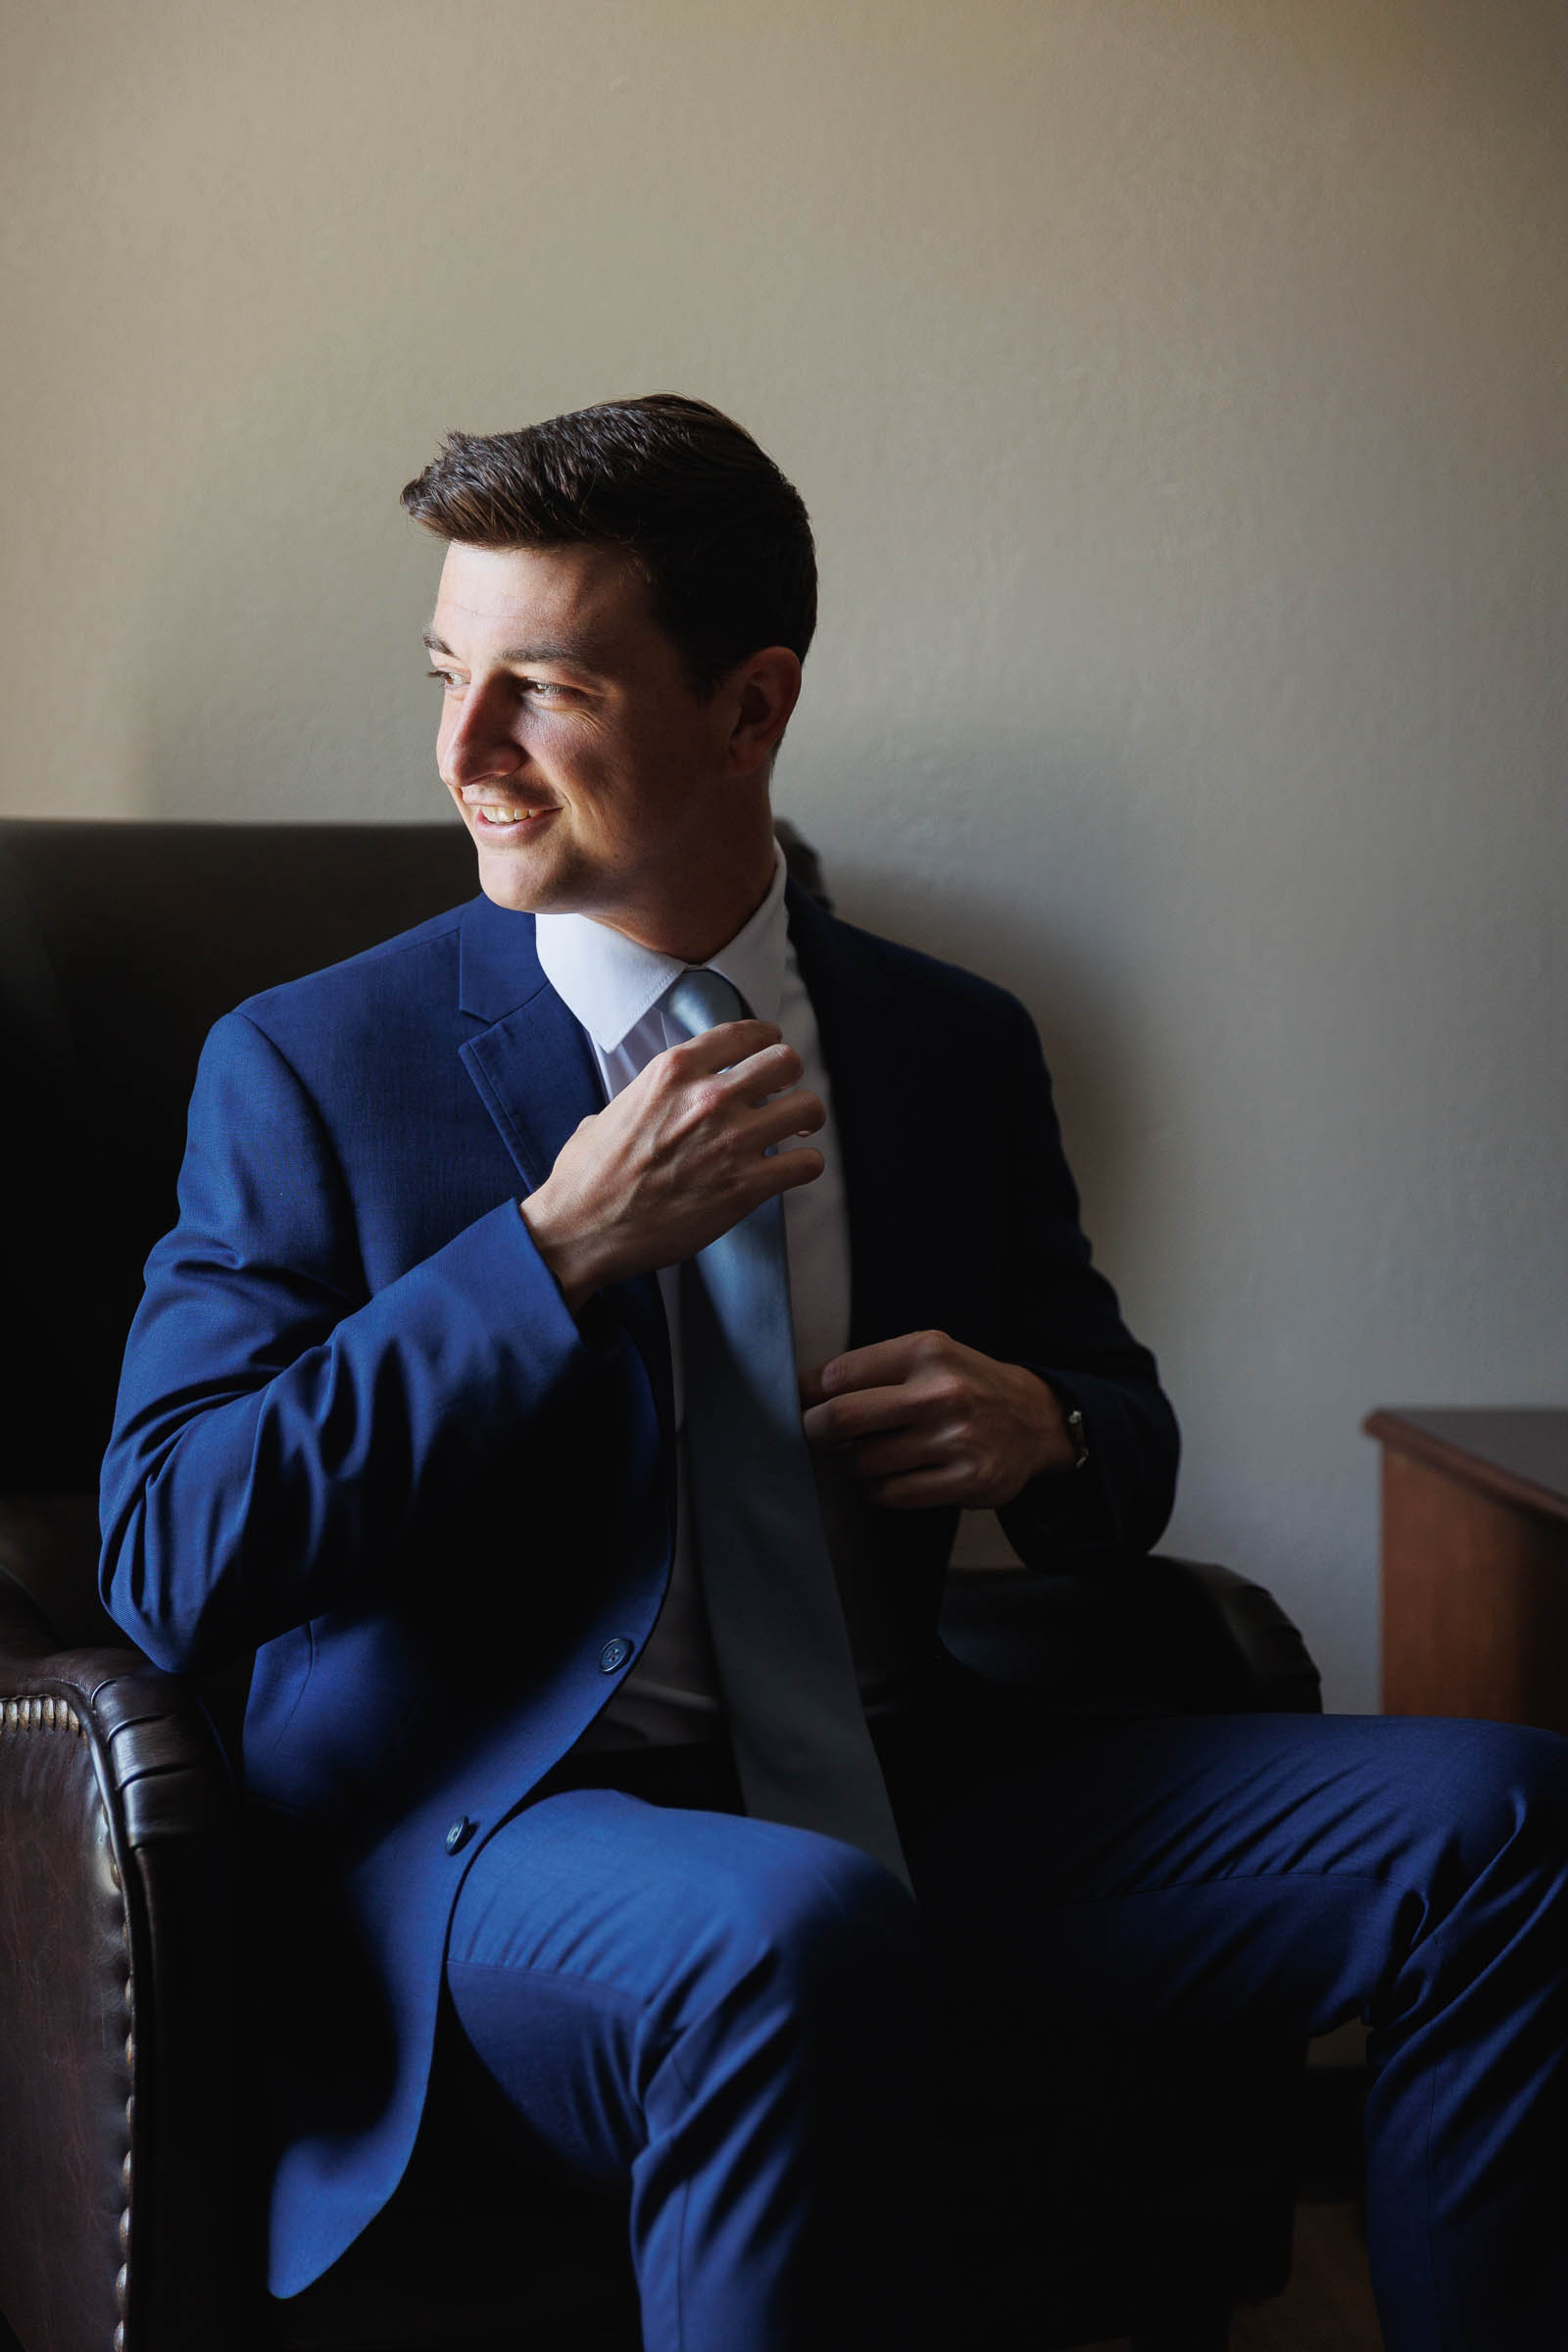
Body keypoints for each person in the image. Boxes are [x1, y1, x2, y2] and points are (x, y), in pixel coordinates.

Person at [100, 394, 1567, 2352]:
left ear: (751, 706)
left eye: (542, 690)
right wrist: (547, 1257)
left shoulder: (949, 1044)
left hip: (907, 1783)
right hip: (505, 1832)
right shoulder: (309, 1064)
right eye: (447, 677)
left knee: (1511, 1818)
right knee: (784, 1934)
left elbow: (1118, 1433)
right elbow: (168, 1551)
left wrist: (1046, 1432)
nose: (463, 756)